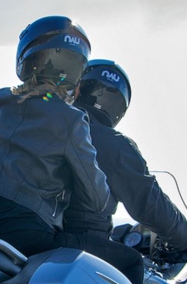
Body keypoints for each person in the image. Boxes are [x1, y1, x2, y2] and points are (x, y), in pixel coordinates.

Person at [0, 15, 144, 284]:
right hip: (31, 235)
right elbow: (96, 196)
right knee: (130, 261)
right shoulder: (71, 119)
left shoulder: (0, 101)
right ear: (76, 75)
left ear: (25, 60)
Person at [64, 59, 187, 251]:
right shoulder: (114, 144)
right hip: (80, 248)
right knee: (136, 268)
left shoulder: (49, 123)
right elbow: (150, 204)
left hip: (29, 238)